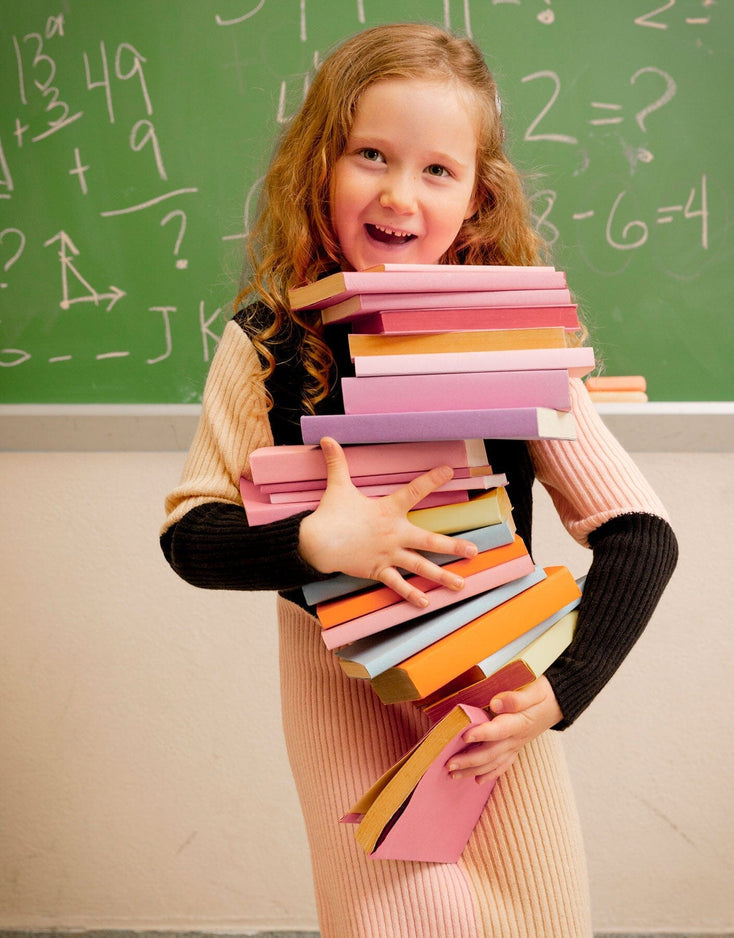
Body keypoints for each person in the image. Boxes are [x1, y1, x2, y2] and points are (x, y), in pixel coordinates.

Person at [160, 22, 678, 938]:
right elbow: (191, 535)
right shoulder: (267, 341)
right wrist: (315, 540)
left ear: (479, 198)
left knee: (535, 922)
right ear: (320, 164)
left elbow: (640, 532)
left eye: (438, 169)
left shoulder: (515, 341)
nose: (400, 193)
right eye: (370, 155)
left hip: (492, 697)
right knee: (401, 918)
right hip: (342, 698)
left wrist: (563, 688)